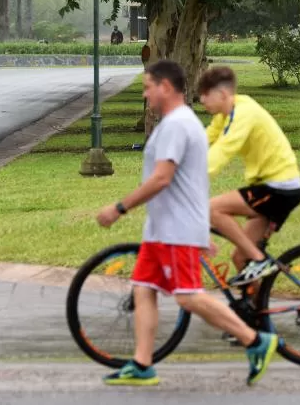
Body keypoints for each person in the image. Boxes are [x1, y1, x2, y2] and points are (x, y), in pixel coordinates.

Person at [95, 59, 277, 387]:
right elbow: (190, 182)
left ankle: (255, 340)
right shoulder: (175, 124)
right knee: (144, 289)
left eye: (148, 87)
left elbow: (162, 178)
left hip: (176, 230)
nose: (146, 95)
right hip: (163, 229)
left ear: (165, 87)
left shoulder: (178, 125)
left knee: (187, 296)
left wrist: (119, 208)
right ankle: (142, 363)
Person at [198, 65, 300, 286]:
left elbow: (225, 148)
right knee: (239, 257)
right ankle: (256, 318)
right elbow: (206, 138)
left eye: (205, 95)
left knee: (212, 209)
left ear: (223, 94)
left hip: (278, 188)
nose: (201, 101)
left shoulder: (243, 113)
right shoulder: (226, 113)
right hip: (270, 186)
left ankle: (258, 259)